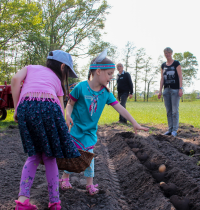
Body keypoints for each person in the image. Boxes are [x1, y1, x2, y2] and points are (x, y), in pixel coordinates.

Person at [59, 49, 148, 195]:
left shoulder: (105, 93)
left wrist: (134, 122)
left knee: (88, 157)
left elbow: (120, 108)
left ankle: (89, 184)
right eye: (109, 74)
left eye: (112, 74)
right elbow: (70, 104)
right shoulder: (80, 88)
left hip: (89, 131)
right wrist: (68, 115)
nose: (111, 77)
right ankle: (65, 178)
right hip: (75, 129)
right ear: (98, 71)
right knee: (72, 156)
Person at [11, 50, 81, 210]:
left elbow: (15, 80)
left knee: (33, 155)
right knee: (50, 157)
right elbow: (60, 105)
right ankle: (54, 203)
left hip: (26, 106)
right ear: (62, 66)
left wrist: (17, 108)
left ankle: (22, 202)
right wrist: (63, 124)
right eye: (67, 72)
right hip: (50, 108)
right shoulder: (57, 80)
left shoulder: (30, 68)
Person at [158, 47, 183, 137]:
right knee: (168, 111)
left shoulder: (176, 63)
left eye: (168, 52)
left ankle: (174, 130)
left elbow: (180, 76)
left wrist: (180, 88)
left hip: (175, 90)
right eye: (165, 53)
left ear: (171, 53)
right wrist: (160, 91)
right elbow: (162, 79)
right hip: (166, 90)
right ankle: (170, 129)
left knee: (174, 111)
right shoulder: (163, 65)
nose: (167, 54)